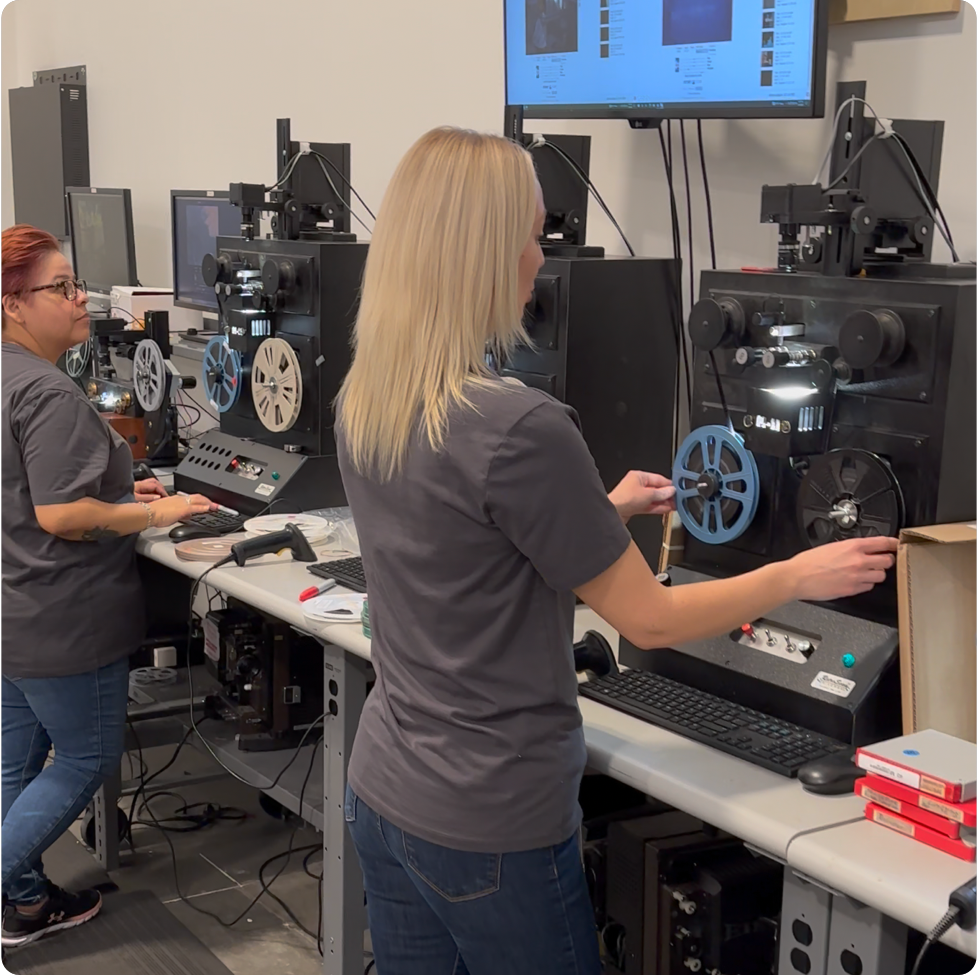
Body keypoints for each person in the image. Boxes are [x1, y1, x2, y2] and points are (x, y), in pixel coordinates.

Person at [335, 128, 897, 975]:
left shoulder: (370, 395)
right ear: (480, 254)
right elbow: (651, 618)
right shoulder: (520, 425)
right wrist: (796, 574)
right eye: (530, 235)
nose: (538, 258)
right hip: (492, 822)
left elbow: (462, 543)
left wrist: (597, 511)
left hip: (383, 789)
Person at [0, 224, 216, 949]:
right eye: (60, 287)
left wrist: (123, 483)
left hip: (12, 614)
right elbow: (61, 512)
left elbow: (28, 484)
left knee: (16, 765)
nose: (79, 296)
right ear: (13, 305)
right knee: (85, 760)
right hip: (65, 618)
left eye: (74, 282)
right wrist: (153, 511)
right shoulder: (47, 392)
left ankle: (26, 905)